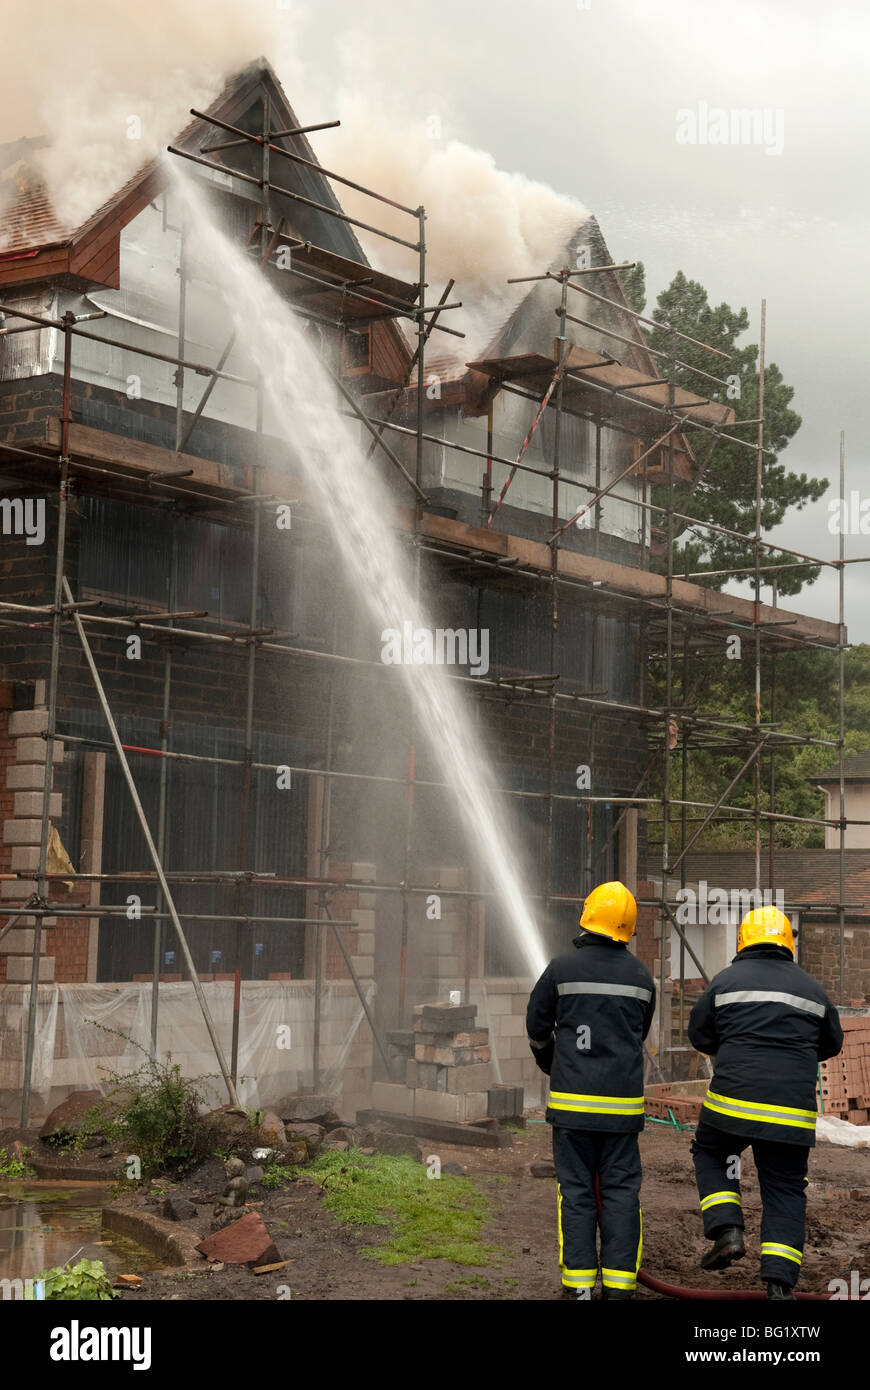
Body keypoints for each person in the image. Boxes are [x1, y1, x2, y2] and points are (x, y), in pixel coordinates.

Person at [688, 904, 844, 1300]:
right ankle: (779, 1285)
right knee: (786, 1190)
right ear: (788, 943)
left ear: (743, 941)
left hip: (732, 1104)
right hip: (791, 1114)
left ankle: (728, 1229)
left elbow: (700, 1035)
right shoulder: (813, 990)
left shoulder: (725, 982)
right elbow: (832, 1043)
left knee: (711, 1151)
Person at [526, 880, 655, 1300]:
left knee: (577, 1191)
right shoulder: (641, 977)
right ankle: (619, 1288)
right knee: (620, 1191)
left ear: (587, 917)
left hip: (572, 1111)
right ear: (628, 928)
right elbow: (639, 1034)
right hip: (621, 1113)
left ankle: (578, 1287)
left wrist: (553, 1063)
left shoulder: (561, 969)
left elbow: (536, 1026)